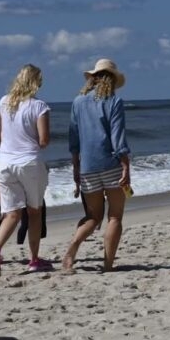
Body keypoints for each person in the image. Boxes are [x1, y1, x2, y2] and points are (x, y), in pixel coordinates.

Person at [63, 59, 131, 274]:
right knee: (115, 217)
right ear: (111, 80)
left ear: (93, 78)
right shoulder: (114, 101)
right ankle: (108, 264)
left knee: (93, 217)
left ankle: (73, 245)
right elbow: (117, 138)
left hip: (87, 166)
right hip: (110, 164)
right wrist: (126, 165)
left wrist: (75, 166)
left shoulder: (77, 102)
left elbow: (73, 139)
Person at [0, 64, 53, 276]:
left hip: (5, 163)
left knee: (11, 213)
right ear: (36, 82)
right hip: (29, 162)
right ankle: (33, 259)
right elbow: (43, 140)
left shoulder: (4, 103)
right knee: (34, 211)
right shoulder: (39, 106)